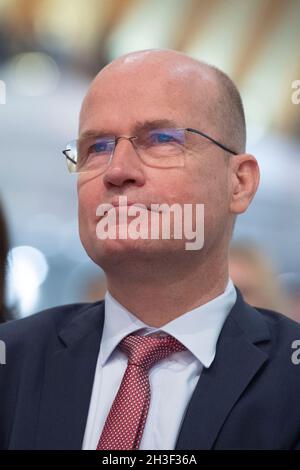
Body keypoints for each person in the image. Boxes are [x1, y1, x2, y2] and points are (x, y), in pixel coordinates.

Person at [0, 49, 300, 450]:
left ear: (239, 183)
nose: (117, 170)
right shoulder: (12, 364)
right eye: (97, 147)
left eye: (161, 140)